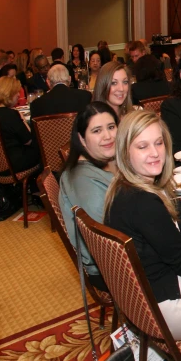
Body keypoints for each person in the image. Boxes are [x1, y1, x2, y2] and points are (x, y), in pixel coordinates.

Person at [104, 111, 181, 340]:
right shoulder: (143, 202)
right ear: (125, 152)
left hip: (144, 299)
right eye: (142, 147)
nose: (155, 153)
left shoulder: (122, 187)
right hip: (169, 309)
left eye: (158, 143)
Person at [59, 102, 119, 291]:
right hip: (113, 271)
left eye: (111, 127)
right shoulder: (83, 179)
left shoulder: (107, 160)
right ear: (82, 139)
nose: (107, 136)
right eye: (97, 131)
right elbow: (108, 242)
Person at [0, 77, 41, 173]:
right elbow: (29, 140)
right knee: (43, 149)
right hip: (13, 164)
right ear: (8, 94)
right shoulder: (11, 115)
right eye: (16, 92)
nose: (19, 95)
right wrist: (22, 120)